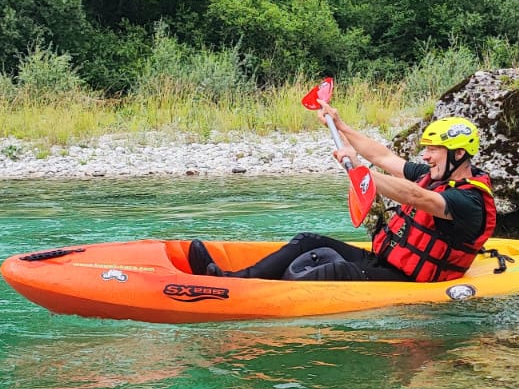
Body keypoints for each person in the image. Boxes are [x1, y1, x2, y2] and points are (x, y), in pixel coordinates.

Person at [190, 107, 496, 282]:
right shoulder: (433, 175)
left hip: (412, 279)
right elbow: (384, 157)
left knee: (338, 270)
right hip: (385, 260)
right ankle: (235, 280)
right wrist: (342, 126)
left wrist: (360, 171)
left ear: (458, 154)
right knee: (308, 241)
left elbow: (416, 198)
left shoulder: (469, 201)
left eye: (434, 150)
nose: (426, 156)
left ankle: (248, 296)